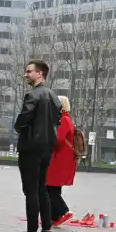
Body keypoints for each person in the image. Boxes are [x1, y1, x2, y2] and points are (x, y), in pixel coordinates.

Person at [13, 60, 59, 232]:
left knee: (30, 189)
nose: (26, 74)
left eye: (29, 71)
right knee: (42, 188)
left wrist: (18, 128)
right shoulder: (53, 96)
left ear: (39, 73)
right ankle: (46, 228)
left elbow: (24, 118)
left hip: (30, 146)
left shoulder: (33, 95)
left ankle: (32, 230)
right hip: (47, 147)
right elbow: (57, 120)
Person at [47, 95, 78, 225]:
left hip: (58, 159)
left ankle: (63, 210)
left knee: (49, 187)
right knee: (54, 187)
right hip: (61, 159)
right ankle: (54, 216)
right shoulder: (66, 119)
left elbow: (58, 139)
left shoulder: (63, 120)